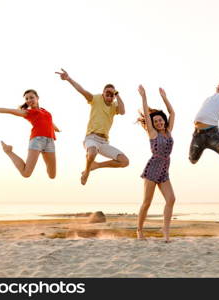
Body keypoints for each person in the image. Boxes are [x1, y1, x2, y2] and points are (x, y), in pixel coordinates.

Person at [55, 69, 129, 185]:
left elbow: (123, 111)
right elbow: (82, 90)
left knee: (125, 162)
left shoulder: (115, 106)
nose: (109, 97)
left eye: (111, 95)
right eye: (107, 94)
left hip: (104, 142)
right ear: (103, 93)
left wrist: (117, 94)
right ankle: (87, 172)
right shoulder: (96, 99)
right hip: (91, 138)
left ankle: (97, 165)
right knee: (93, 152)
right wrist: (68, 79)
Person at [0, 89, 59, 178]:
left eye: (31, 97)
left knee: (52, 175)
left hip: (50, 141)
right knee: (26, 173)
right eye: (26, 99)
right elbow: (9, 110)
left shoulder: (45, 111)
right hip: (37, 140)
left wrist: (57, 129)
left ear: (37, 98)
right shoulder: (28, 112)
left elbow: (49, 121)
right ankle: (8, 151)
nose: (29, 100)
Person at [136, 85, 175, 242]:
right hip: (153, 168)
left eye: (160, 120)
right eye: (156, 121)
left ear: (163, 121)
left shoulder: (169, 130)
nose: (159, 122)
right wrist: (144, 97)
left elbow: (172, 113)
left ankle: (165, 230)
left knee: (171, 199)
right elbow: (146, 113)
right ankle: (139, 230)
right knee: (147, 202)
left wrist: (164, 98)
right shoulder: (152, 133)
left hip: (165, 169)